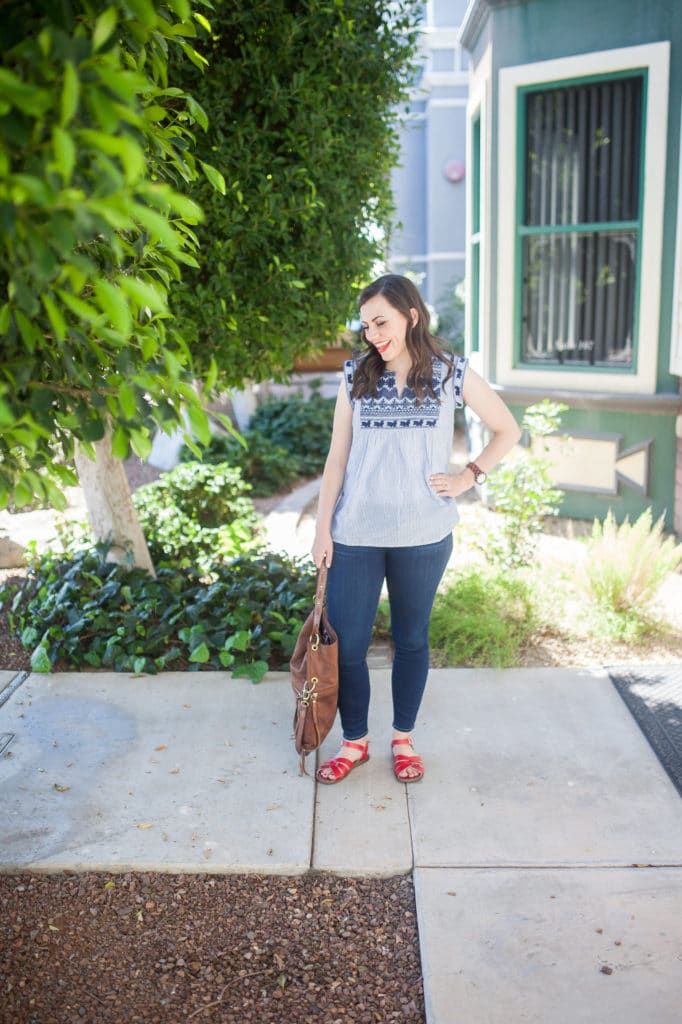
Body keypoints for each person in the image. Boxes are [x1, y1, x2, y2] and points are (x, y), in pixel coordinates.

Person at [311, 274, 521, 785]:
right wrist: (322, 530)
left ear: (412, 315)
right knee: (351, 646)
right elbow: (336, 459)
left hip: (424, 534)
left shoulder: (451, 372)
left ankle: (402, 739)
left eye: (381, 322)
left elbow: (507, 429)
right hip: (356, 532)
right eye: (365, 326)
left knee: (410, 640)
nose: (372, 335)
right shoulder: (354, 375)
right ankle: (354, 742)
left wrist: (467, 478)